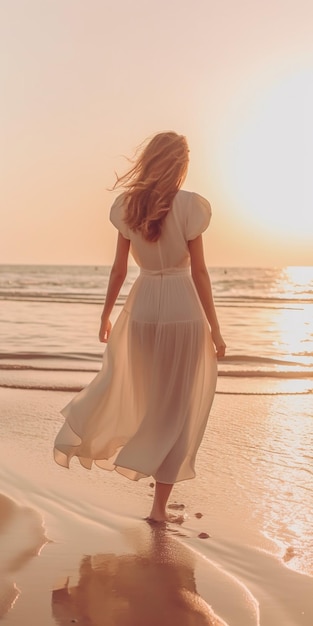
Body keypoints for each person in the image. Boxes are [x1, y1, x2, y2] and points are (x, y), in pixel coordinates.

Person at [54, 131, 226, 523]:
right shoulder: (190, 207)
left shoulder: (127, 207)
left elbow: (118, 270)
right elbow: (198, 271)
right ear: (180, 164)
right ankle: (159, 509)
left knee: (149, 400)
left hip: (144, 306)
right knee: (175, 409)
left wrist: (105, 314)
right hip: (183, 308)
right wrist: (215, 329)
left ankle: (105, 439)